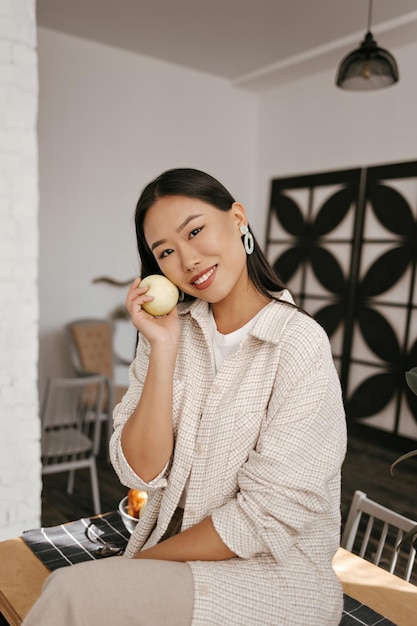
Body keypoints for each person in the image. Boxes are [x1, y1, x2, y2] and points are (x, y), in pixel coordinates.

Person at [23, 168, 347, 626]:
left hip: (277, 579)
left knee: (74, 594)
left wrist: (134, 569)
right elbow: (138, 469)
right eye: (166, 252)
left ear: (237, 218)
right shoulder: (171, 331)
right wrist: (164, 348)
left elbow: (267, 516)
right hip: (177, 559)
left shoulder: (298, 344)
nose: (188, 259)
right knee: (71, 591)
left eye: (195, 231)